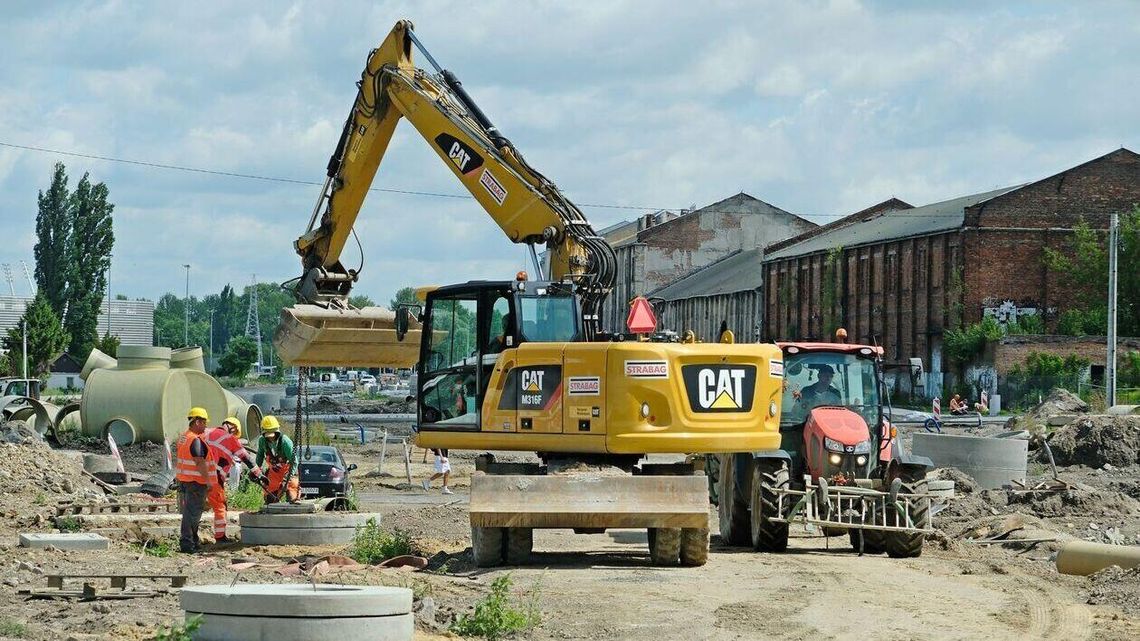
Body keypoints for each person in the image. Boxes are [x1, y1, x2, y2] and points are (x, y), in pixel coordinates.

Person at [202, 417, 261, 543]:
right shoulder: (230, 439)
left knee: (193, 508)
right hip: (214, 478)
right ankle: (220, 537)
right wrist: (259, 474)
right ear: (233, 428)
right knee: (220, 507)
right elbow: (246, 458)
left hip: (196, 477)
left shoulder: (205, 432)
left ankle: (190, 537)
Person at [175, 407, 218, 553]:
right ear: (198, 422)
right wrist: (208, 481)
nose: (205, 426)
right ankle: (187, 543)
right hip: (196, 482)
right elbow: (199, 461)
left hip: (186, 480)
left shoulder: (184, 437)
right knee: (192, 513)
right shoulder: (195, 440)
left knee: (191, 511)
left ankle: (193, 540)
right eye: (204, 423)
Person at [255, 416, 299, 504]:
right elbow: (260, 456)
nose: (270, 438)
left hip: (288, 470)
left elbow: (294, 462)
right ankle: (270, 506)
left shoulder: (285, 442)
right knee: (270, 496)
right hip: (274, 472)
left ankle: (294, 501)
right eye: (268, 436)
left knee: (292, 488)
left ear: (277, 432)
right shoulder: (262, 441)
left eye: (272, 435)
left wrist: (287, 478)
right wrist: (256, 470)